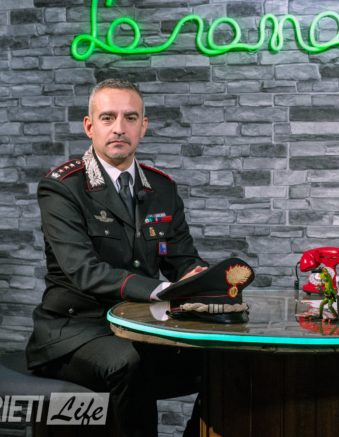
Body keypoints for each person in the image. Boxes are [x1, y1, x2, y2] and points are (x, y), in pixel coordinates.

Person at [26, 79, 208, 437]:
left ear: (144, 126)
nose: (119, 128)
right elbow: (84, 271)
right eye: (108, 117)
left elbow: (182, 260)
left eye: (130, 117)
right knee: (128, 363)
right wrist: (160, 291)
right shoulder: (63, 187)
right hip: (74, 332)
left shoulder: (162, 187)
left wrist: (203, 280)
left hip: (140, 329)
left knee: (220, 360)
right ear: (89, 126)